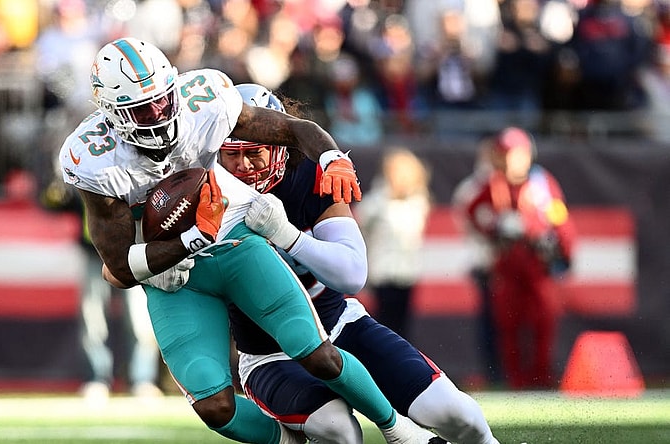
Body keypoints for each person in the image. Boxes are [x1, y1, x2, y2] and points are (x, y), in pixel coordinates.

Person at [60, 37, 421, 444]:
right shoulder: (93, 158)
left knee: (317, 352)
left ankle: (399, 430)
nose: (160, 113)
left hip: (234, 241)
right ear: (114, 115)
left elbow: (292, 128)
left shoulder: (205, 97)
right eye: (145, 108)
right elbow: (120, 268)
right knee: (213, 405)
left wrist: (331, 157)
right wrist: (190, 239)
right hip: (173, 277)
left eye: (163, 99)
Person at [219, 83, 500, 444]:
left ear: (279, 149)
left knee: (456, 415)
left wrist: (288, 236)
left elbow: (352, 273)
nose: (242, 166)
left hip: (338, 325)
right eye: (231, 154)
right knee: (339, 430)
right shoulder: (207, 197)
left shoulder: (306, 175)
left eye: (254, 153)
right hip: (270, 354)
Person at [462, 126, 575, 390]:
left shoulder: (542, 183)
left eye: (517, 154)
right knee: (508, 322)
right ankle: (516, 381)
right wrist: (493, 228)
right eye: (507, 155)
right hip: (508, 261)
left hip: (537, 263)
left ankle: (542, 378)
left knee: (544, 321)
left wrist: (564, 249)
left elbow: (560, 217)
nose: (513, 161)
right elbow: (471, 210)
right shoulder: (493, 184)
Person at [39, 179, 163, 403]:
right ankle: (97, 378)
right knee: (93, 320)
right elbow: (56, 203)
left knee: (138, 319)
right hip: (94, 250)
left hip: (131, 249)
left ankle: (142, 378)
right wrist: (58, 193)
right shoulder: (83, 166)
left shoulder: (130, 163)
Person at [354, 147, 432, 341]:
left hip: (407, 272)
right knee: (385, 323)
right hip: (383, 272)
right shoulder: (377, 201)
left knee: (403, 324)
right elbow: (363, 221)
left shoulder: (417, 202)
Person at [451, 135, 501, 386]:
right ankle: (494, 371)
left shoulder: (510, 184)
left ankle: (509, 372)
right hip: (486, 260)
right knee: (489, 318)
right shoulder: (477, 188)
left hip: (508, 261)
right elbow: (470, 220)